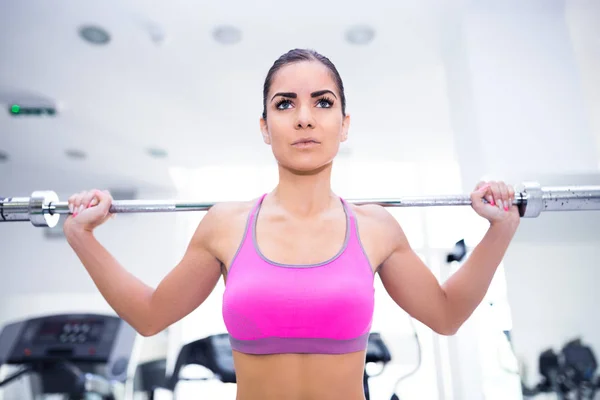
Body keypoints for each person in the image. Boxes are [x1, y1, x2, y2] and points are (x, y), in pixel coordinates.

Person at [63, 48, 521, 400]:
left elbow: (445, 314)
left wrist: (500, 230)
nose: (304, 117)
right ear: (265, 127)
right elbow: (149, 315)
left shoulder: (375, 228)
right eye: (285, 104)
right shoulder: (225, 225)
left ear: (344, 124)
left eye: (323, 103)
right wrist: (80, 236)